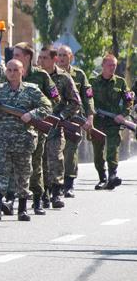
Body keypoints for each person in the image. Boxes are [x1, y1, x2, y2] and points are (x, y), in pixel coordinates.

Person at [0, 59, 52, 223]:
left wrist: (32, 114)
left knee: (23, 175)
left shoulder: (31, 90)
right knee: (0, 173)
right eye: (9, 70)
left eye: (15, 70)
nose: (12, 73)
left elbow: (47, 106)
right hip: (2, 139)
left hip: (24, 140)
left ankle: (22, 209)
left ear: (22, 72)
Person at [12, 43, 58, 216]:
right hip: (13, 128)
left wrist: (36, 114)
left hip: (35, 128)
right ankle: (11, 199)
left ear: (27, 57)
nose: (14, 58)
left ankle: (38, 199)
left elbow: (54, 99)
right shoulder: (9, 72)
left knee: (36, 164)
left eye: (17, 55)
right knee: (12, 165)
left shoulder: (41, 76)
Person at [37, 47, 81, 209]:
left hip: (55, 127)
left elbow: (76, 102)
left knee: (55, 159)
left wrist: (62, 116)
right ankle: (43, 194)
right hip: (36, 127)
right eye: (39, 58)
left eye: (45, 58)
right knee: (40, 163)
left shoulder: (64, 78)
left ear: (54, 59)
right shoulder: (34, 76)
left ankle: (56, 193)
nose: (41, 61)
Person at [90, 54, 133, 190]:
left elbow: (129, 100)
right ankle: (102, 177)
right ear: (103, 65)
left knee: (112, 148)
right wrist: (89, 113)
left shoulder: (120, 82)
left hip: (114, 122)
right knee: (98, 151)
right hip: (97, 121)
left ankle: (112, 176)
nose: (112, 68)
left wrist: (123, 114)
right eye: (109, 65)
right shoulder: (93, 82)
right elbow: (87, 100)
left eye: (114, 65)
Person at [56, 45, 93, 197]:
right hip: (55, 118)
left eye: (65, 55)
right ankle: (54, 184)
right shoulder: (50, 74)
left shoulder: (79, 74)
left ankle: (69, 184)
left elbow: (87, 97)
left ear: (71, 57)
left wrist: (90, 116)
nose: (62, 58)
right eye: (59, 55)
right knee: (55, 151)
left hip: (73, 118)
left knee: (70, 150)